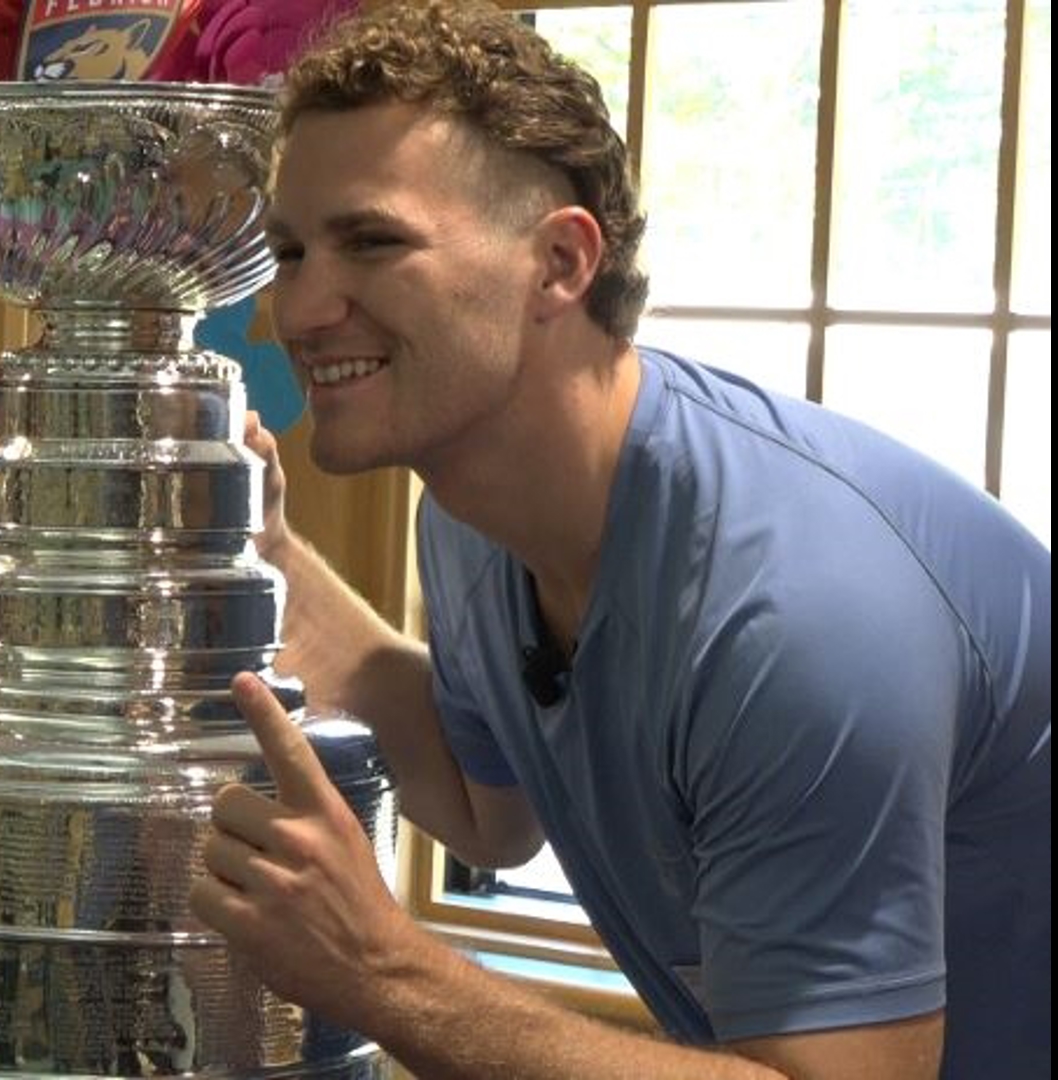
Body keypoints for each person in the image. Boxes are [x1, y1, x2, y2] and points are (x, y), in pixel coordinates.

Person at [188, 3, 1051, 1078]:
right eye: (290, 250)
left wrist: (380, 970)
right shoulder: (466, 522)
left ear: (559, 263)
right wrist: (262, 554)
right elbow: (482, 810)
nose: (300, 309)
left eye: (372, 242)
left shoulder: (797, 618)